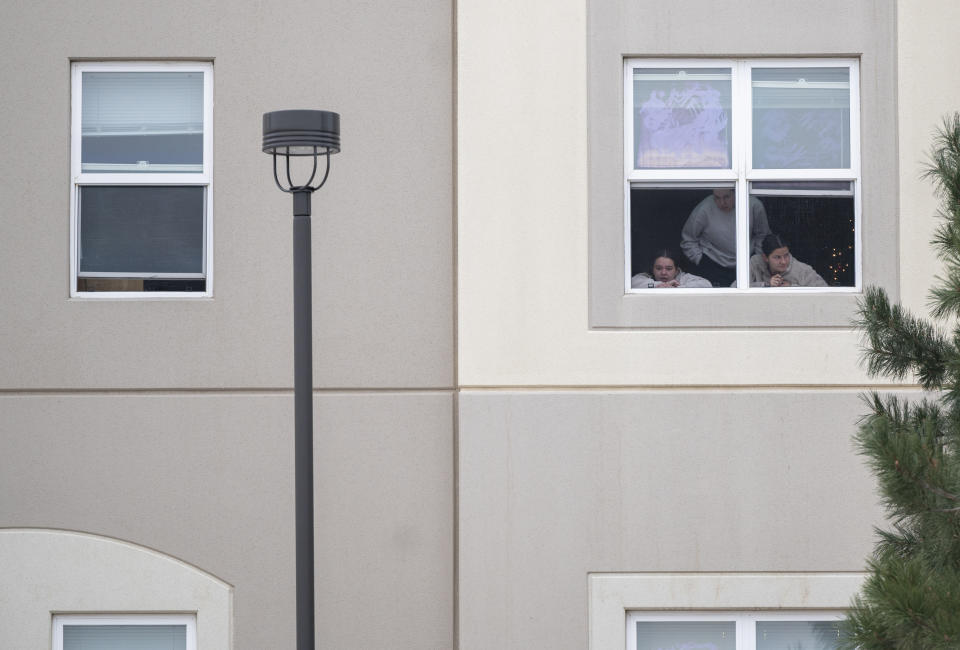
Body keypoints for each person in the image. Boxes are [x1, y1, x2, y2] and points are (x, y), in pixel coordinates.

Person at [680, 188, 771, 287]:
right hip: (712, 263)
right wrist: (700, 261)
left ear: (737, 193)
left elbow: (763, 235)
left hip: (746, 263)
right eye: (717, 198)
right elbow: (688, 240)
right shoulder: (704, 208)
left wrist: (756, 260)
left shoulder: (753, 205)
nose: (722, 203)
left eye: (726, 197)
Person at [750, 233, 828, 287]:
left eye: (786, 255)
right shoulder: (755, 263)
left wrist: (791, 287)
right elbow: (738, 288)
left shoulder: (803, 270)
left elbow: (824, 291)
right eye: (777, 257)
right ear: (765, 258)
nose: (783, 261)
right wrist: (766, 285)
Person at [631, 249, 712, 288]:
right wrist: (659, 285)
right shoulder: (646, 276)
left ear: (677, 270)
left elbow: (706, 284)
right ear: (652, 269)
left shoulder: (683, 277)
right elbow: (632, 283)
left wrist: (677, 288)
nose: (663, 272)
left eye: (669, 269)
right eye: (658, 268)